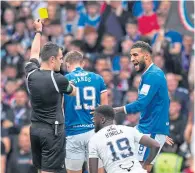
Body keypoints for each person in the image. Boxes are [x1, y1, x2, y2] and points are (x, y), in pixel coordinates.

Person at [24, 19, 76, 173]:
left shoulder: (31, 72)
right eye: (60, 58)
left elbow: (33, 53)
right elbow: (73, 91)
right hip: (52, 131)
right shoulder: (58, 79)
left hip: (35, 129)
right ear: (52, 59)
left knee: (40, 169)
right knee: (49, 171)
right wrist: (72, 82)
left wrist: (38, 31)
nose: (62, 61)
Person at [114, 41, 171, 172]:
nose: (132, 59)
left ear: (146, 56)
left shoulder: (153, 75)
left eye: (135, 55)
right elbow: (165, 99)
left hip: (151, 129)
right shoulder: (150, 74)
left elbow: (141, 104)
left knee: (141, 167)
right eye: (130, 56)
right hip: (148, 126)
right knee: (137, 164)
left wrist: (116, 110)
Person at [63, 50, 108, 173]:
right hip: (94, 131)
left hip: (73, 131)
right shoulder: (97, 78)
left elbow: (60, 107)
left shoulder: (64, 80)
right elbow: (106, 108)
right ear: (82, 63)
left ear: (67, 64)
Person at [88, 105, 160, 173]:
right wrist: (147, 163)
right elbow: (155, 145)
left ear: (102, 119)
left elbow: (93, 171)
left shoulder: (94, 139)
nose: (93, 121)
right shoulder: (128, 129)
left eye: (94, 118)